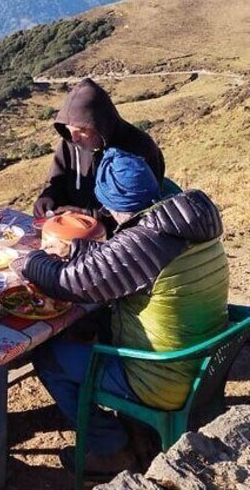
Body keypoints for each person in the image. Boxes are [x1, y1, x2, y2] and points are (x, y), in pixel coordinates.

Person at [19, 148, 229, 479]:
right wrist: (79, 250)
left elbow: (67, 282)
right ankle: (131, 432)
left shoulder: (147, 239)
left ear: (112, 202)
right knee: (90, 326)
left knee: (50, 357)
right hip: (204, 362)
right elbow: (120, 260)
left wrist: (33, 261)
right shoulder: (186, 223)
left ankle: (109, 449)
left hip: (161, 377)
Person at [33, 78, 165, 226]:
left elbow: (140, 208)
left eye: (82, 130)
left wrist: (89, 215)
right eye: (70, 131)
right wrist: (49, 197)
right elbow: (57, 180)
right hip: (71, 228)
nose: (74, 138)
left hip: (118, 236)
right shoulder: (71, 142)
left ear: (100, 125)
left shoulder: (139, 148)